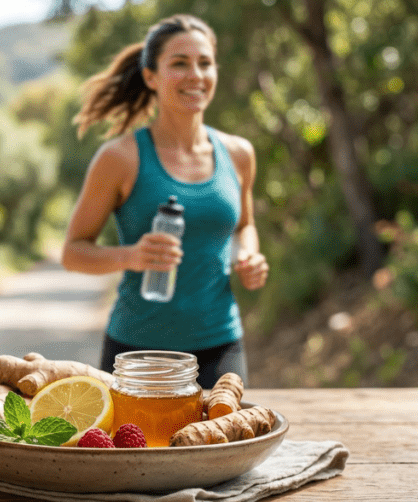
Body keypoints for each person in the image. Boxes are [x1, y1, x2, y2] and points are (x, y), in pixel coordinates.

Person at [61, 14, 269, 388]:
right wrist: (130, 256)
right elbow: (73, 252)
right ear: (151, 76)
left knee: (224, 445)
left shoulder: (239, 153)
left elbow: (244, 226)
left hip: (221, 344)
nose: (196, 75)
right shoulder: (120, 157)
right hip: (137, 352)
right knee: (138, 448)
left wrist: (248, 255)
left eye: (205, 63)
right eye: (179, 63)